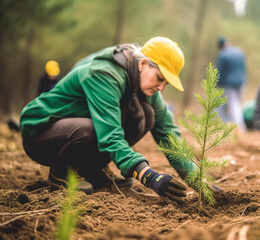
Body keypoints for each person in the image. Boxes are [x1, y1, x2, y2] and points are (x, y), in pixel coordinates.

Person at [20, 37, 198, 204]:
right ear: (143, 63)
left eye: (166, 83)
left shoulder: (142, 84)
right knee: (88, 130)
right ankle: (61, 171)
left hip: (73, 128)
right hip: (40, 132)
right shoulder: (105, 74)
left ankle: (92, 170)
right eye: (160, 78)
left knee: (146, 115)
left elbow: (168, 134)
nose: (161, 88)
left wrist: (199, 181)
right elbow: (110, 134)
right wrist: (148, 176)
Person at [216, 37, 247, 133]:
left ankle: (238, 129)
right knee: (236, 105)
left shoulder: (223, 54)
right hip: (242, 83)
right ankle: (235, 128)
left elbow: (220, 71)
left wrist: (217, 84)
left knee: (232, 107)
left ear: (220, 46)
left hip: (229, 85)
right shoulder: (240, 52)